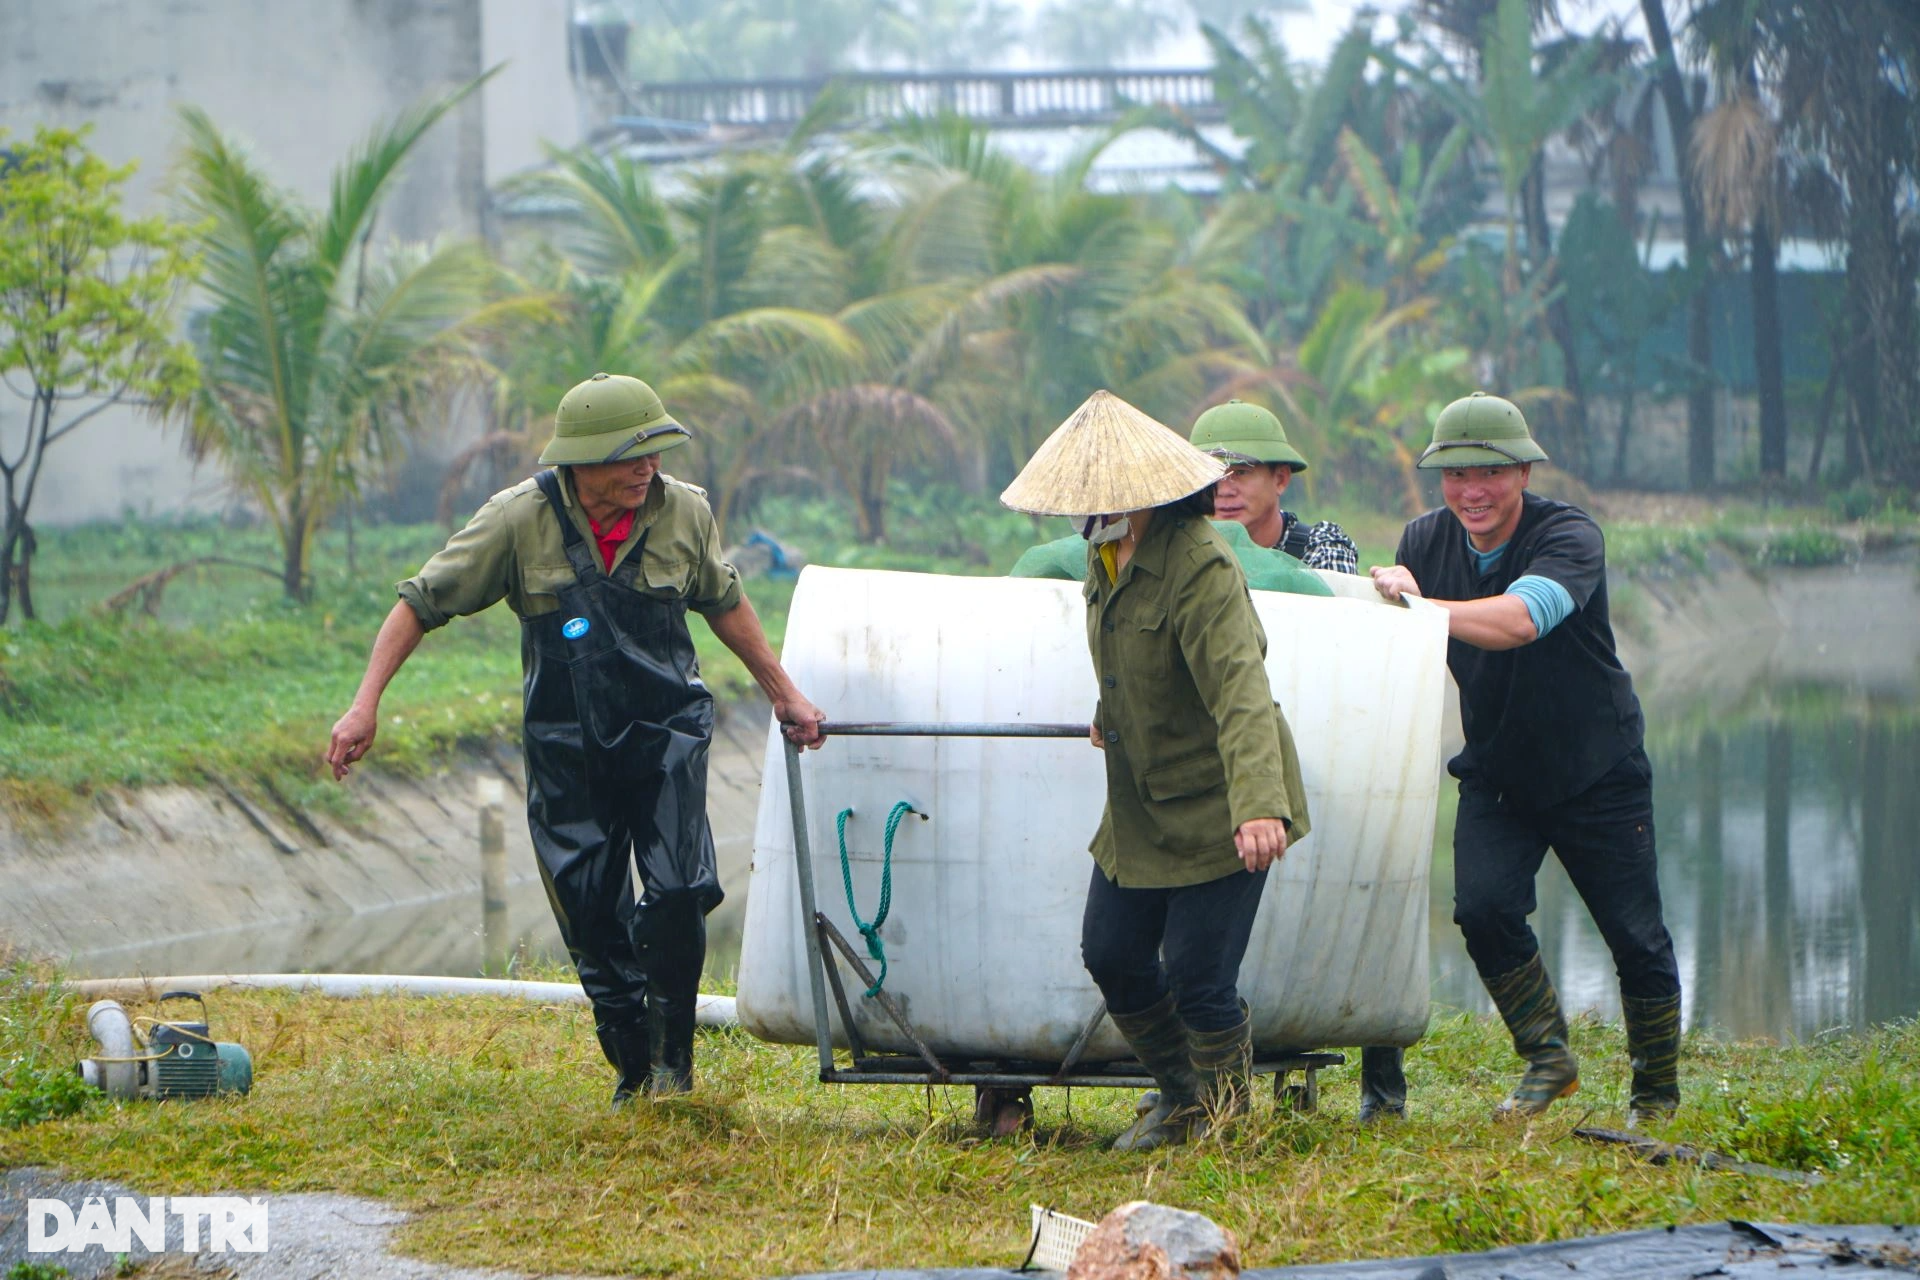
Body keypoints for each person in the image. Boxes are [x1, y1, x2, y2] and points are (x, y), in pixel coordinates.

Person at [326, 372, 827, 1104]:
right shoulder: (515, 520)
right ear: (581, 460)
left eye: (655, 451)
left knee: (681, 889)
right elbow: (420, 603)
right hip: (569, 747)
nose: (646, 468)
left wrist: (786, 696)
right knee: (593, 916)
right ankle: (633, 1069)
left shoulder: (685, 512)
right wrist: (363, 704)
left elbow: (724, 602)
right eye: (631, 455)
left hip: (666, 733)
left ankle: (674, 1069)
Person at [1001, 389, 1311, 1152]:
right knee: (1111, 951)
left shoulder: (1200, 560)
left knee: (1201, 975)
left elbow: (1241, 690)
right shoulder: (1108, 550)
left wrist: (1258, 807)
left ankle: (1225, 1118)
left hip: (1221, 799)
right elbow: (1128, 653)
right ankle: (1183, 1098)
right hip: (1143, 803)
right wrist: (1114, 713)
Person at [1370, 392, 1681, 1125]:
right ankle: (1549, 1057)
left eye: (1491, 473)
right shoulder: (1423, 542)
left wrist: (1421, 607)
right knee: (1481, 909)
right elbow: (1402, 652)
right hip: (1499, 765)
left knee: (1635, 936)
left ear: (1524, 473)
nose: (1472, 492)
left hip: (1595, 765)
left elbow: (1519, 620)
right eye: (1455, 475)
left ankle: (1656, 1094)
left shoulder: (1569, 534)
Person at [1189, 399, 1407, 1123]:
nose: (1225, 486)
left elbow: (1342, 646)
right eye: (1211, 471)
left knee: (1362, 892)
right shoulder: (1175, 549)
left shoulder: (1322, 552)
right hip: (1217, 760)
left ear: (1282, 479)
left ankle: (1384, 1085)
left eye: (1243, 471)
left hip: (1326, 751)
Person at [1191, 399, 1358, 573]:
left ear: (1280, 479)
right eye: (1213, 474)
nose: (1224, 491)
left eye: (1240, 473)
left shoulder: (1322, 550)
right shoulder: (1182, 549)